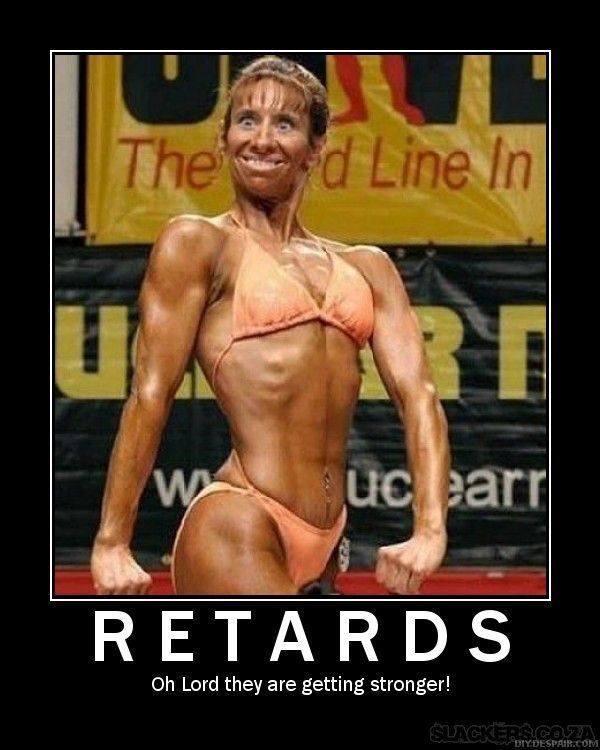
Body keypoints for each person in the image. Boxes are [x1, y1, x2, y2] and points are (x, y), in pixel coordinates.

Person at [91, 56, 450, 596]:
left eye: (284, 124)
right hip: (238, 521)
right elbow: (150, 392)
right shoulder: (199, 244)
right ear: (224, 138)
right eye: (246, 120)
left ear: (316, 146)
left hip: (327, 543)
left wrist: (430, 528)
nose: (261, 139)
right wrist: (112, 542)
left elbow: (419, 396)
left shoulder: (367, 266)